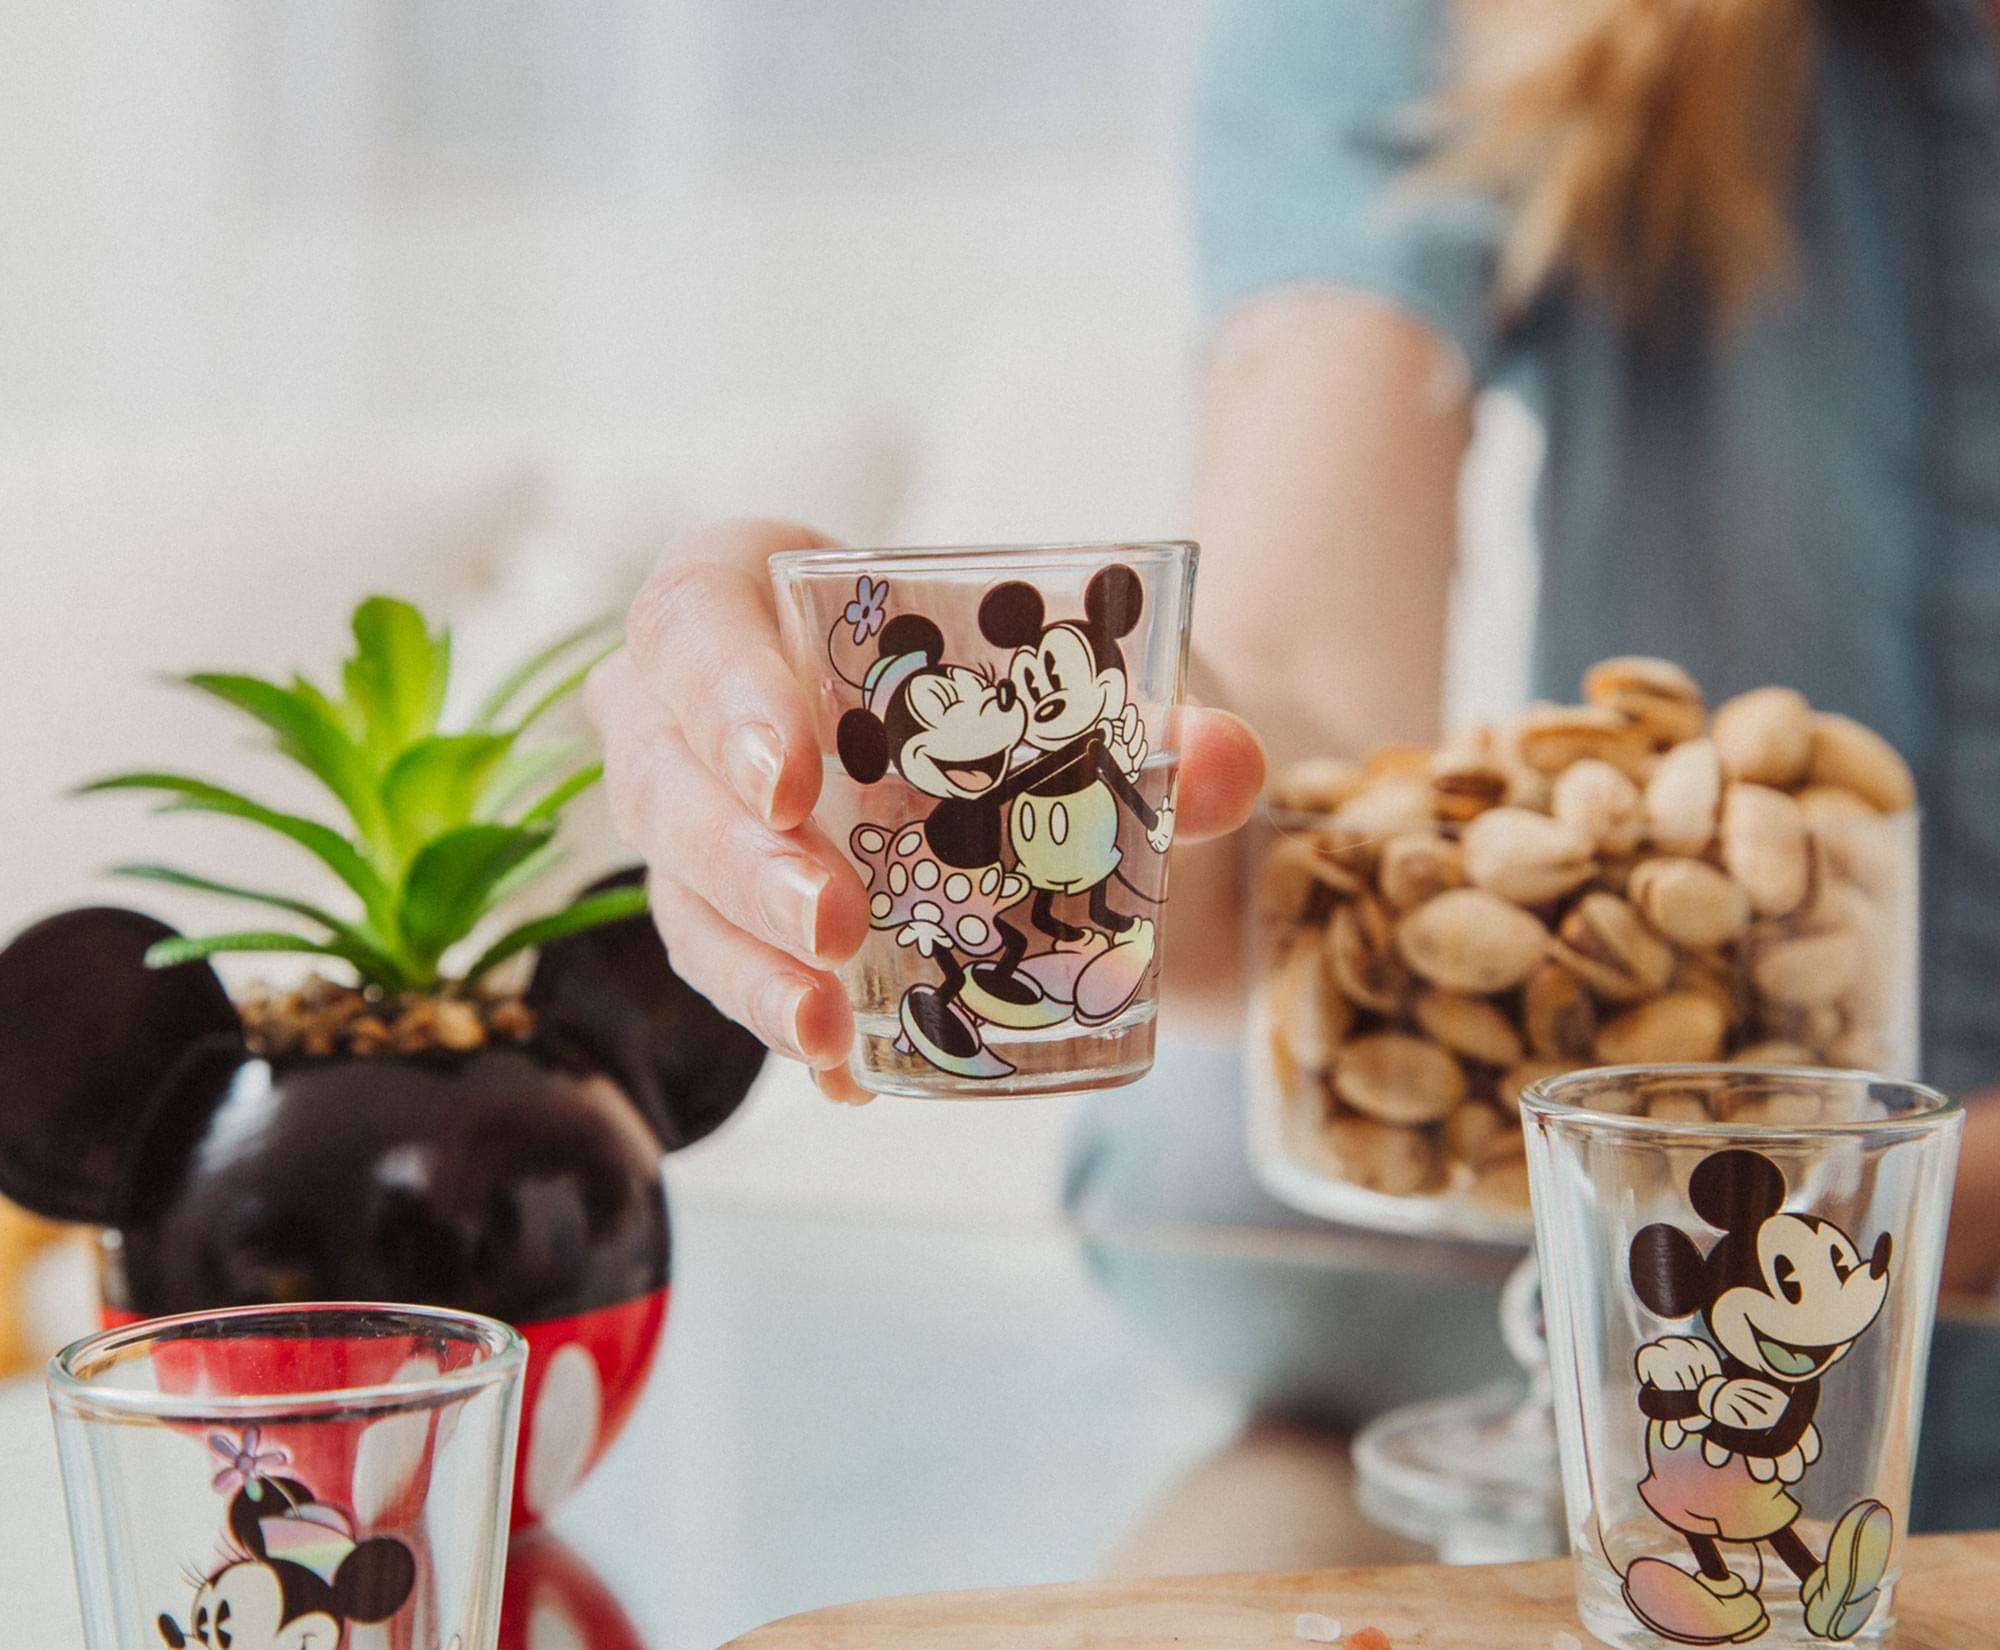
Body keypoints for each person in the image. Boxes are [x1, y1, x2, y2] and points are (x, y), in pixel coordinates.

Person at [589, 0, 2000, 1551]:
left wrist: (1892, 1201)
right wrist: (926, 804)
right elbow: (1292, 778)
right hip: (1627, 1333)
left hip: (1701, 1276)